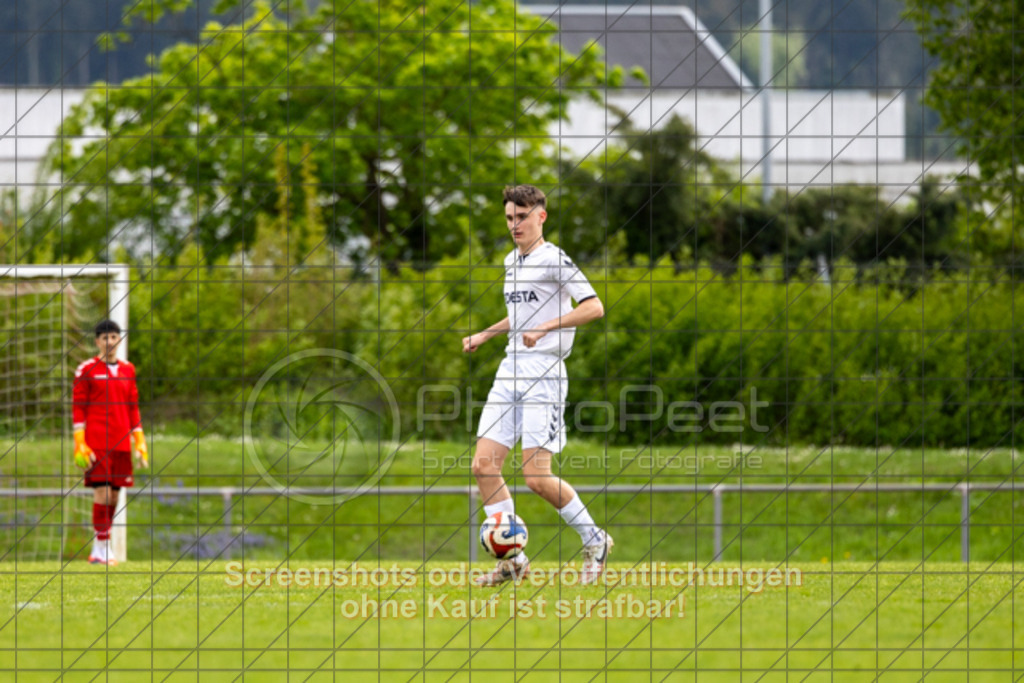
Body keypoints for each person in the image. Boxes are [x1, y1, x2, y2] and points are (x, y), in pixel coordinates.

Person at [463, 184, 611, 586]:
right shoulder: (512, 261)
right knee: (483, 466)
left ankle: (595, 539)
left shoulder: (555, 259)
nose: (514, 225)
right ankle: (514, 561)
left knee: (536, 477)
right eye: (509, 218)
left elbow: (594, 307)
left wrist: (547, 327)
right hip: (510, 369)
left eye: (521, 217)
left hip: (544, 373)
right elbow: (521, 315)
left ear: (540, 216)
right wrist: (486, 334)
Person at [72, 319, 147, 565]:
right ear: (97, 341)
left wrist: (139, 440)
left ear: (119, 340)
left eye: (114, 337)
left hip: (121, 442)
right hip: (97, 442)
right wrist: (80, 441)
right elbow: (78, 408)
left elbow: (133, 407)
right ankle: (103, 547)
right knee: (102, 493)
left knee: (114, 497)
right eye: (105, 338)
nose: (110, 342)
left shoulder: (128, 370)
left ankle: (99, 547)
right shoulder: (86, 369)